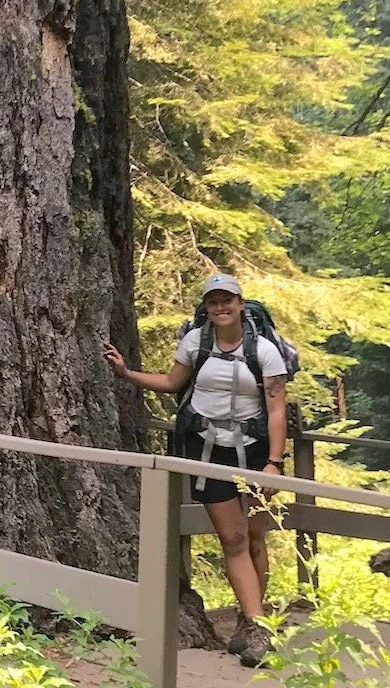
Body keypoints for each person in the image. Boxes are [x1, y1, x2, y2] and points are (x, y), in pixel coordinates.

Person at [102, 273, 288, 668]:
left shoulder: (265, 351)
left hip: (254, 452)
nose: (220, 308)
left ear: (240, 303)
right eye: (213, 302)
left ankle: (250, 621)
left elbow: (276, 409)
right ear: (206, 306)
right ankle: (259, 629)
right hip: (207, 451)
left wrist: (275, 463)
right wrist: (127, 374)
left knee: (255, 537)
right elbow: (172, 382)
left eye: (227, 301)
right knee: (232, 538)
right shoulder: (195, 341)